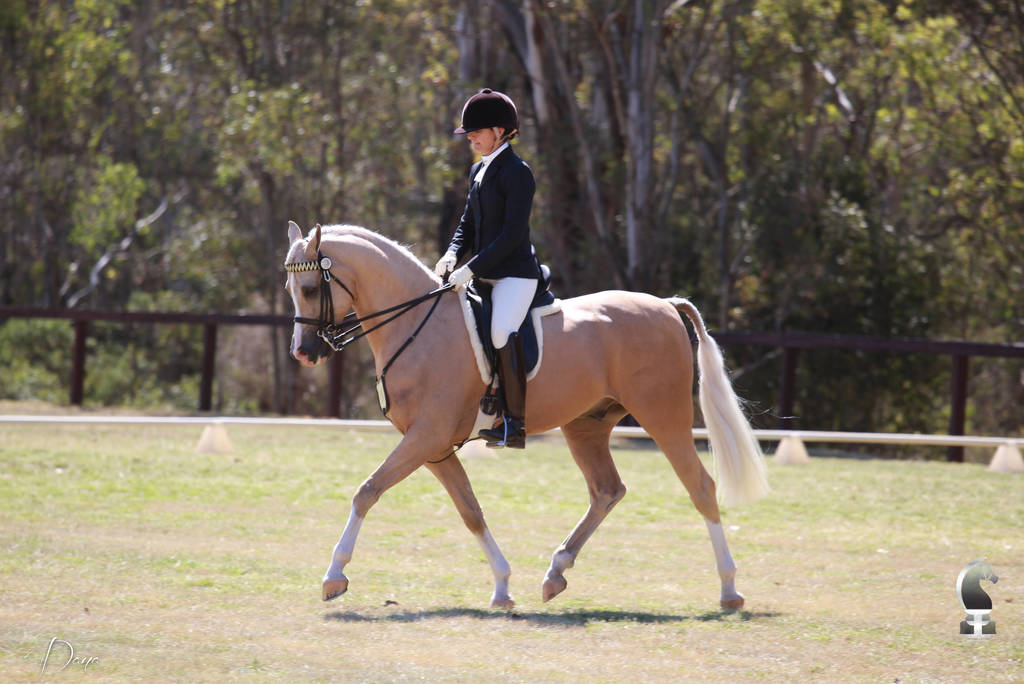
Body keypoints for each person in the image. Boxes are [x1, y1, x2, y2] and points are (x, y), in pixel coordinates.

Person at [435, 88, 542, 449]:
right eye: (469, 133)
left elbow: (512, 235)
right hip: (482, 273)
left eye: (477, 132)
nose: (471, 138)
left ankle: (514, 424)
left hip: (515, 274)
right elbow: (467, 222)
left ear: (500, 131)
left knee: (500, 333)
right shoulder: (478, 170)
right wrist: (452, 254)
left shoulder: (518, 172)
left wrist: (471, 267)